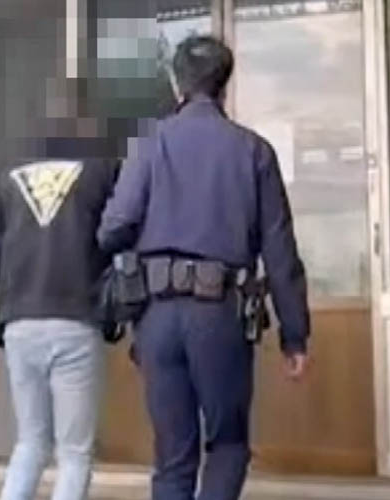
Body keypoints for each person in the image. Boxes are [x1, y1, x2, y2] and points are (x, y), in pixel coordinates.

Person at [98, 35, 310, 500]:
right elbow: (280, 251)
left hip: (156, 314)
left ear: (178, 84)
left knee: (172, 454)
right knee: (228, 444)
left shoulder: (149, 144)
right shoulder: (254, 150)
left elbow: (113, 227)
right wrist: (294, 334)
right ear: (224, 86)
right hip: (220, 314)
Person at [0, 89, 120, 500]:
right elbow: (118, 231)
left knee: (30, 443)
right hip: (75, 318)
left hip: (18, 319)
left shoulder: (9, 174)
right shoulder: (102, 170)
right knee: (74, 452)